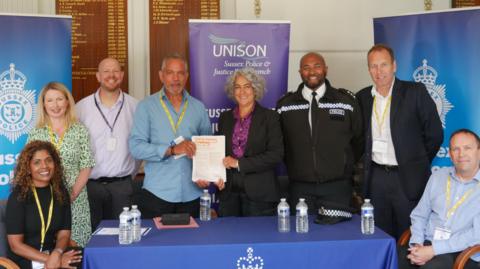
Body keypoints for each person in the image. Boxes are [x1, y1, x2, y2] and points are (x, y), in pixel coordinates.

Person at [356, 44, 443, 239]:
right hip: (376, 177)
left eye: (384, 65)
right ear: (369, 69)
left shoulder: (415, 92)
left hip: (407, 177)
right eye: (373, 66)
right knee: (379, 235)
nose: (379, 71)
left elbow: (435, 134)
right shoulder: (362, 97)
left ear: (394, 66)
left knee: (410, 234)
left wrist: (414, 160)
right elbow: (359, 138)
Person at [276, 52, 363, 213]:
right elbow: (278, 144)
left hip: (337, 188)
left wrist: (344, 166)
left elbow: (359, 141)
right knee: (301, 235)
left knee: (336, 235)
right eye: (306, 67)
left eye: (317, 66)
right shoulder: (285, 105)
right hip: (300, 189)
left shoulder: (346, 102)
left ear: (326, 69)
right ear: (300, 72)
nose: (312, 71)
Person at [129, 53, 212, 218]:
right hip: (157, 193)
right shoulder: (146, 106)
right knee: (157, 244)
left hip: (192, 193)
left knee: (192, 243)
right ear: (161, 75)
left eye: (180, 73)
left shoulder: (198, 107)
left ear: (186, 76)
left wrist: (205, 173)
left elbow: (207, 147)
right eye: (170, 73)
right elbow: (136, 147)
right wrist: (172, 150)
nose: (176, 78)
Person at [398, 129, 480, 269]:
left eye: (467, 148)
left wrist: (433, 250)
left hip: (462, 251)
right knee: (393, 258)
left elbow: (476, 235)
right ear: (450, 154)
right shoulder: (438, 177)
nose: (461, 154)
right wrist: (417, 244)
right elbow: (420, 215)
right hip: (427, 243)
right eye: (456, 149)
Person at [76, 58, 140, 232]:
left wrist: (128, 177)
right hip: (90, 187)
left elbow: (140, 147)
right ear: (98, 76)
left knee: (122, 239)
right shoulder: (81, 108)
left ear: (121, 75)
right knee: (91, 238)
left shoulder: (136, 107)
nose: (111, 75)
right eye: (106, 71)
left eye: (115, 71)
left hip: (122, 187)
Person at [28, 82, 95, 247]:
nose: (55, 105)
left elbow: (86, 165)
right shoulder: (36, 132)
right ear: (43, 104)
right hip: (45, 198)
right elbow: (29, 166)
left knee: (76, 248)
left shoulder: (79, 130)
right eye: (50, 100)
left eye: (59, 99)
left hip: (75, 199)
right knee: (50, 246)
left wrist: (71, 195)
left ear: (67, 102)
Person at [217, 68, 284, 217]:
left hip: (260, 195)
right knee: (228, 238)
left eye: (247, 86)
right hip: (228, 194)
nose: (242, 92)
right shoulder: (225, 118)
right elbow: (218, 152)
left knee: (258, 239)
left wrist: (239, 164)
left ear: (255, 89)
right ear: (232, 91)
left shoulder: (270, 117)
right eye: (237, 87)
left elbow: (276, 155)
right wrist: (216, 175)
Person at [6, 141, 82, 269]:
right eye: (37, 162)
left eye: (48, 160)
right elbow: (15, 245)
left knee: (81, 258)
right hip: (26, 259)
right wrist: (50, 260)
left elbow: (64, 234)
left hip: (53, 253)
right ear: (28, 168)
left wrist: (57, 253)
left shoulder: (60, 192)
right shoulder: (18, 197)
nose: (45, 166)